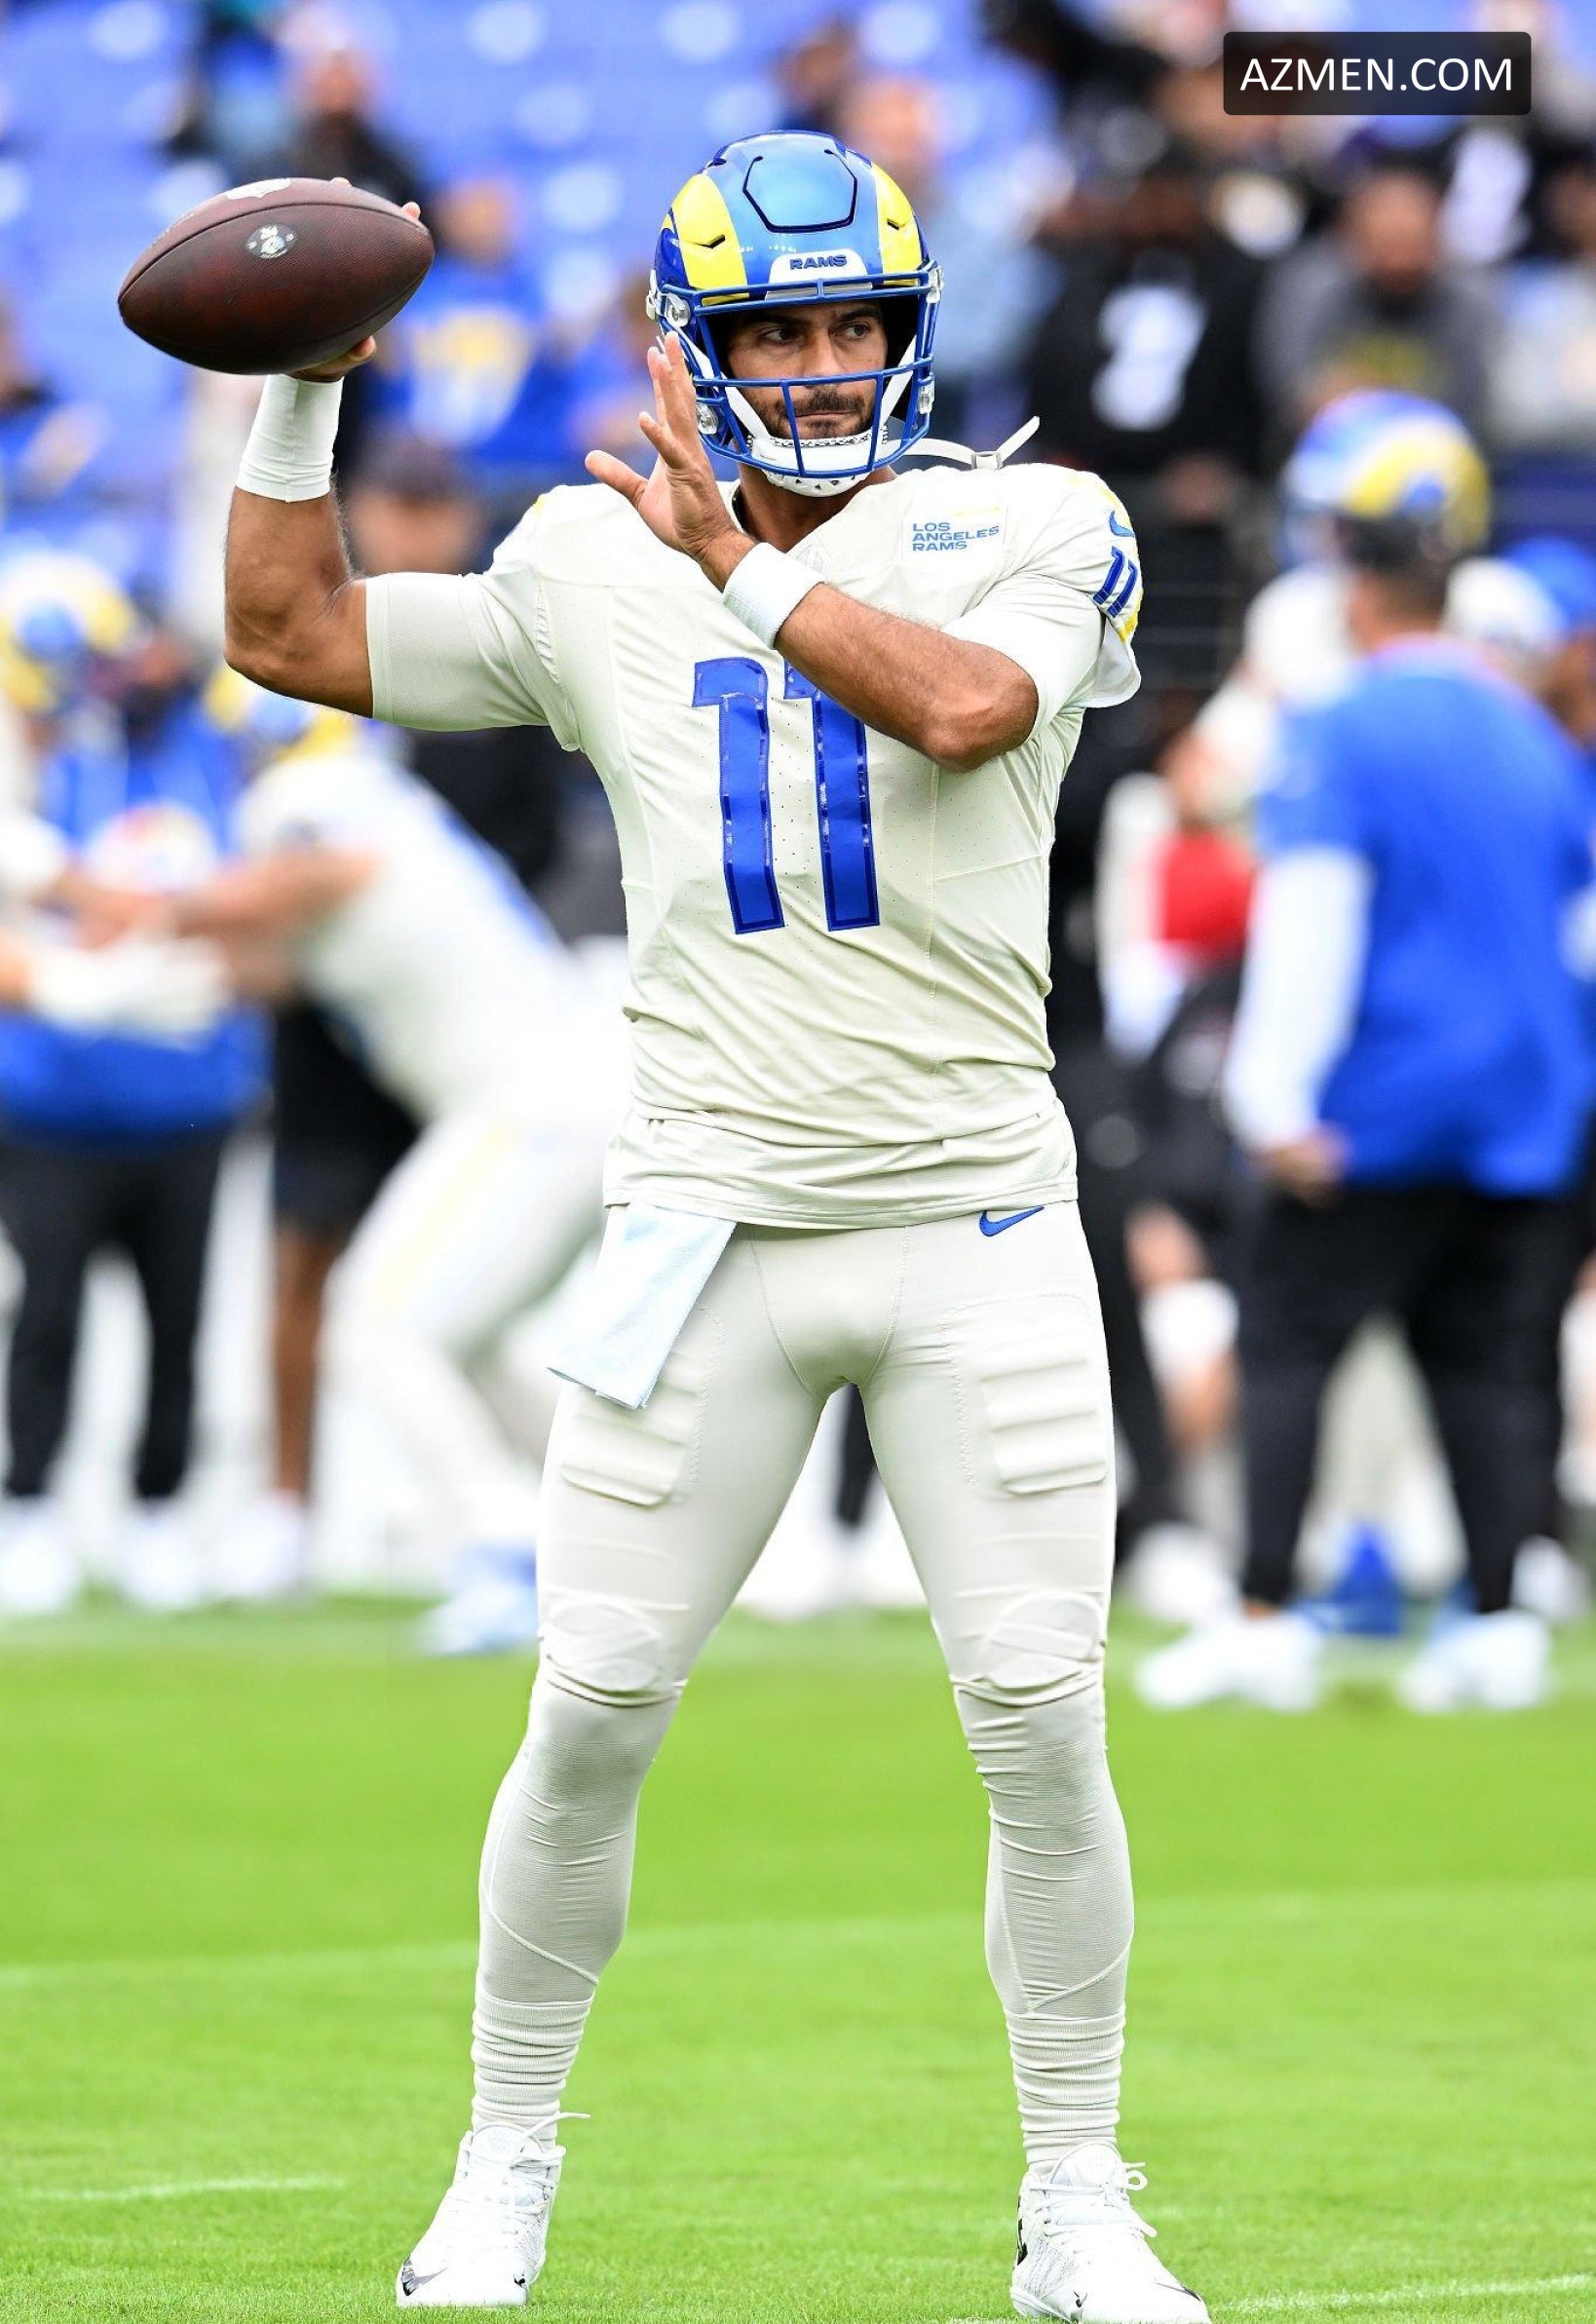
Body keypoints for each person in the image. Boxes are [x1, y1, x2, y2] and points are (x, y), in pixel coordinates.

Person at [222, 132, 1208, 2322]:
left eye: (859, 319)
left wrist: (744, 574)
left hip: (970, 1221)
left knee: (1040, 1722)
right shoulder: (593, 554)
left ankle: (1077, 2198)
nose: (829, 359)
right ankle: (501, 2164)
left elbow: (964, 709)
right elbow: (287, 629)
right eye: (781, 328)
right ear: (692, 350)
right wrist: (297, 390)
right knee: (588, 1707)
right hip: (708, 1225)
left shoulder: (1038, 517)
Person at [1139, 495, 1593, 1718]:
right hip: (1522, 1110)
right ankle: (1499, 1620)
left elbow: (1314, 917)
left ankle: (1262, 1613)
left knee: (1287, 1349)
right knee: (1488, 1367)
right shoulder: (1536, 740)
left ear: (1357, 597)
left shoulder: (1341, 726)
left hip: (1377, 1102)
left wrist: (1271, 1099)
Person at [177, 743, 624, 1655]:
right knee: (461, 1341)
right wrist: (92, 968)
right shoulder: (366, 821)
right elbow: (254, 961)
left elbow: (315, 874)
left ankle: (507, 1546)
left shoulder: (323, 792)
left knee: (374, 1326)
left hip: (531, 1104)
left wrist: (105, 896)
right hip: (554, 1104)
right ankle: (615, 1537)